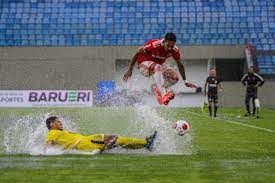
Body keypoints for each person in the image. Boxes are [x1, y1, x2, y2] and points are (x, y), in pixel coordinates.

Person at [123, 32, 197, 105]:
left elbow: (180, 64)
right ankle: (164, 95)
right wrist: (130, 69)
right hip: (143, 64)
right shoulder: (154, 45)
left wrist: (185, 81)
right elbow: (138, 52)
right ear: (164, 41)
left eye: (172, 46)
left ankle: (158, 90)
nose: (170, 48)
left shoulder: (174, 50)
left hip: (158, 65)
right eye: (168, 45)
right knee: (158, 66)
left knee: (175, 78)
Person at [44, 116, 157, 153]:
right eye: (58, 121)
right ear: (52, 124)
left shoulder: (58, 132)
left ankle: (145, 144)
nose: (60, 122)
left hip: (87, 141)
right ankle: (146, 142)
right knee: (116, 139)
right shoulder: (52, 132)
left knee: (118, 142)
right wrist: (44, 152)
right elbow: (47, 144)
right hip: (87, 143)